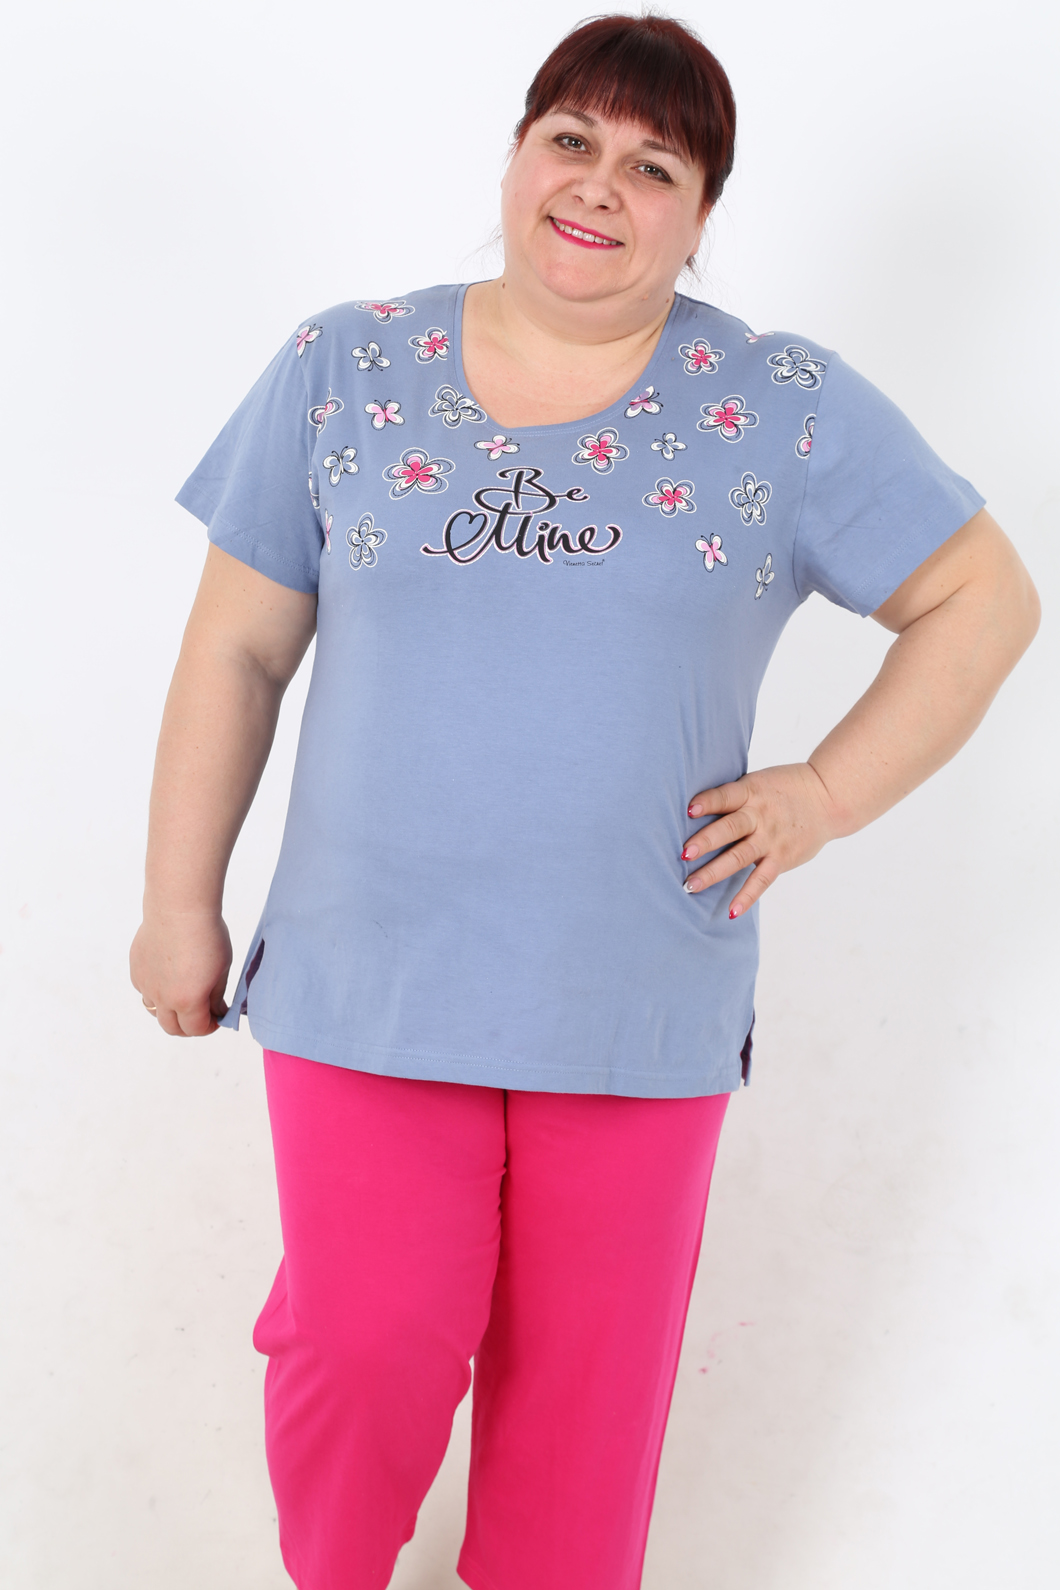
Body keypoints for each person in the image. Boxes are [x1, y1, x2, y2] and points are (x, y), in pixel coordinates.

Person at [129, 14, 1039, 1590]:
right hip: (368, 979)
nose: (600, 185)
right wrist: (175, 903)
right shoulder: (346, 366)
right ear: (516, 154)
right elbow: (237, 650)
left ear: (701, 213)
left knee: (583, 1414)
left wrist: (824, 793)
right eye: (572, 139)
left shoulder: (782, 404)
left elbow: (984, 597)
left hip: (633, 998)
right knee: (366, 1337)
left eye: (655, 164)